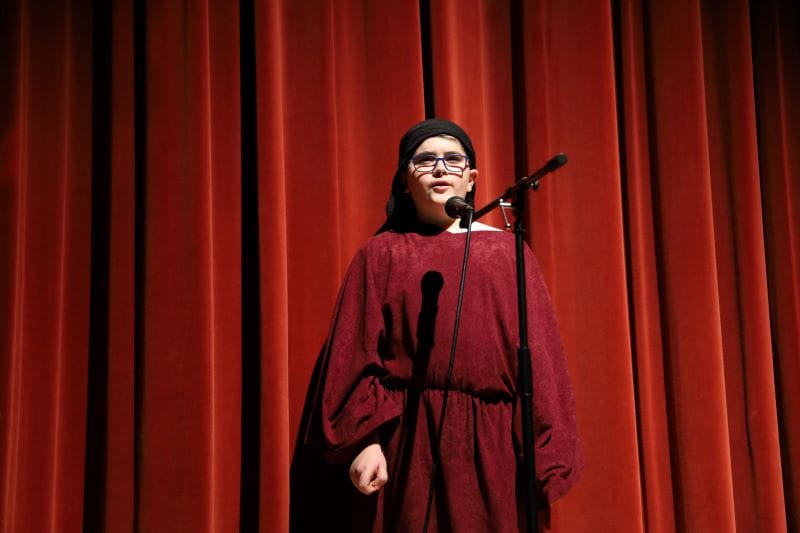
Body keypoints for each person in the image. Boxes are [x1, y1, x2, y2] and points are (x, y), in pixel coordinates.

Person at [290, 119, 583, 532]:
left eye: (453, 159)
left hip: (493, 448)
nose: (441, 168)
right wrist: (364, 442)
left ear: (471, 178)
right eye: (425, 160)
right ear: (405, 180)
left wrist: (545, 456)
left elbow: (543, 360)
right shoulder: (383, 253)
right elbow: (351, 355)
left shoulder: (506, 252)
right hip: (410, 442)